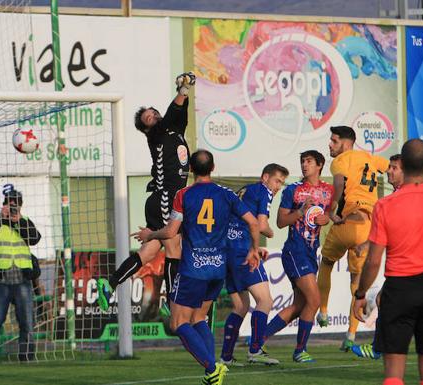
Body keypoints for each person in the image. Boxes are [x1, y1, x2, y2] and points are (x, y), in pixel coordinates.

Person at [133, 150, 264, 385]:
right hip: (218, 268)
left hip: (194, 268)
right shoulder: (226, 194)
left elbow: (171, 232)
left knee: (178, 322)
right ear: (212, 168)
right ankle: (214, 367)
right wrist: (254, 249)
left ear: (191, 170)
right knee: (199, 318)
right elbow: (254, 223)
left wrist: (150, 233)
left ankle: (212, 368)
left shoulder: (184, 194)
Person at [97, 72, 196, 314]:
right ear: (147, 128)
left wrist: (184, 91)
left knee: (149, 251)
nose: (152, 117)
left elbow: (179, 114)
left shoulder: (174, 130)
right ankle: (173, 303)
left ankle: (111, 283)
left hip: (166, 197)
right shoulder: (156, 133)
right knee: (174, 250)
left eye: (152, 113)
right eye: (147, 118)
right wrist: (182, 91)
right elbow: (174, 111)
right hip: (166, 198)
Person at [353, 139, 423, 385]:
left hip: (399, 289)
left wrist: (361, 293)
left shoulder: (386, 205)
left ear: (402, 164)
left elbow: (373, 260)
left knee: (393, 374)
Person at [316, 125, 389, 352]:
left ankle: (324, 312)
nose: (330, 144)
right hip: (367, 227)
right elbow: (394, 167)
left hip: (346, 222)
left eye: (334, 140)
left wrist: (331, 212)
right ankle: (350, 335)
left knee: (326, 264)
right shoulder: (371, 158)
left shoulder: (341, 160)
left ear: (346, 143)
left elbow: (338, 185)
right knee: (357, 284)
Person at [263, 150, 333, 363]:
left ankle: (258, 339)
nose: (304, 165)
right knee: (314, 299)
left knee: (300, 306)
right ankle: (299, 350)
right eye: (303, 161)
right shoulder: (293, 190)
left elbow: (332, 212)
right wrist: (301, 211)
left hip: (311, 252)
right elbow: (280, 221)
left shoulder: (329, 191)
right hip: (295, 250)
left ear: (320, 165)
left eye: (309, 161)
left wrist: (327, 218)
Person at [219, 164, 289, 366]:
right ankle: (256, 350)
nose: (277, 187)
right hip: (243, 252)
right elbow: (261, 224)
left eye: (281, 184)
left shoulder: (245, 189)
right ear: (265, 177)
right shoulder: (263, 191)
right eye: (277, 181)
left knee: (241, 306)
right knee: (265, 301)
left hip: (228, 250)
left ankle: (225, 357)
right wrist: (270, 234)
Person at [0, 189, 42, 365]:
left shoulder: (25, 221)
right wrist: (2, 218)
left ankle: (26, 359)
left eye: (15, 204)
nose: (12, 207)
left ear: (20, 206)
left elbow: (34, 238)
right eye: (10, 203)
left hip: (23, 279)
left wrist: (17, 221)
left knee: (27, 321)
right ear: (4, 204)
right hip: (0, 279)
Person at [351, 153, 402, 360]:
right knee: (384, 300)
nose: (388, 170)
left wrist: (360, 294)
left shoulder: (394, 201)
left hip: (411, 266)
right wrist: (366, 243)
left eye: (394, 168)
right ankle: (378, 347)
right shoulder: (392, 199)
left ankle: (378, 348)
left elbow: (375, 257)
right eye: (389, 166)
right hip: (420, 266)